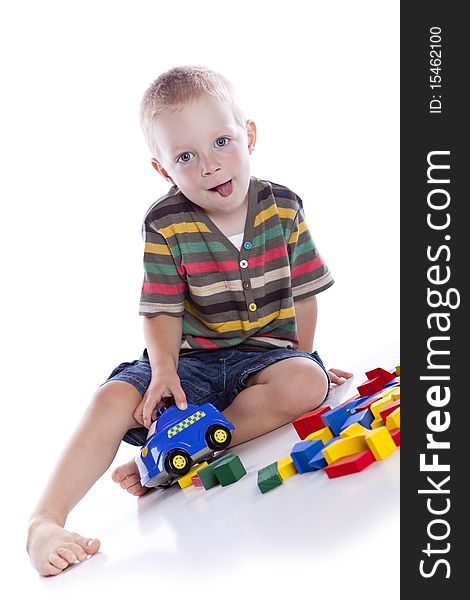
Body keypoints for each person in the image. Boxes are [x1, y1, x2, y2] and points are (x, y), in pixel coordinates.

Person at [26, 65, 352, 576]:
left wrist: (300, 355)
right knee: (112, 398)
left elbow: (305, 294)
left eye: (222, 141)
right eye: (186, 156)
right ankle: (45, 520)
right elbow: (161, 309)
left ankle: (170, 460)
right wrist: (163, 374)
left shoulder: (284, 207)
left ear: (249, 135)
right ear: (163, 170)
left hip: (262, 361)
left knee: (305, 382)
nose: (209, 166)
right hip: (188, 364)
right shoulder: (165, 224)